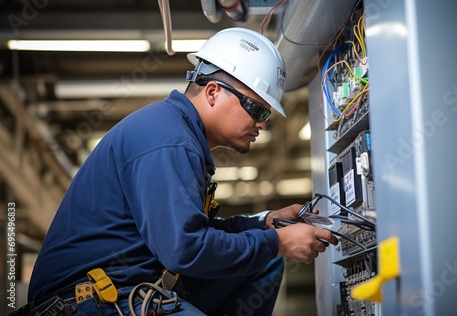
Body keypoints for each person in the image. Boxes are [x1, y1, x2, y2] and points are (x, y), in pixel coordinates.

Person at [24, 27, 337, 316]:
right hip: (85, 303)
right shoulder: (169, 140)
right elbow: (185, 250)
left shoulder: (177, 134)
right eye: (255, 108)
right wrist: (279, 242)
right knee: (269, 249)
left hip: (128, 290)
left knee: (263, 262)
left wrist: (265, 224)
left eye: (266, 112)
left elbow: (193, 236)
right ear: (213, 92)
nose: (262, 123)